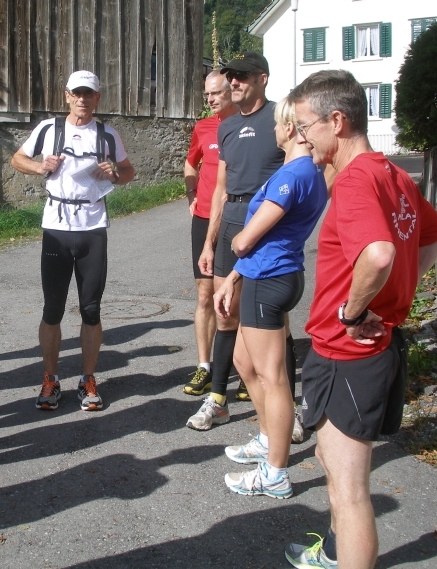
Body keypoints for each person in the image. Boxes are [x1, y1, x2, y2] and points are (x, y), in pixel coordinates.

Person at [284, 69, 437, 569]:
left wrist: (353, 312)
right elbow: (433, 235)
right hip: (370, 348)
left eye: (305, 126)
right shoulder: (390, 172)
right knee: (330, 460)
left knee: (348, 488)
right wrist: (396, 295)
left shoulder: (355, 180)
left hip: (349, 351)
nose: (301, 137)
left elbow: (378, 255)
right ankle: (334, 553)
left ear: (336, 121)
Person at [212, 98, 327, 498]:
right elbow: (266, 240)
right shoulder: (303, 172)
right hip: (266, 274)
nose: (273, 130)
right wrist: (231, 278)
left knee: (273, 377)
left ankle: (275, 473)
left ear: (291, 129)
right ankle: (266, 438)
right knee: (244, 361)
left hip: (270, 279)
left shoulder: (292, 175)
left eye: (278, 124)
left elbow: (247, 240)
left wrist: (235, 247)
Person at [191, 52, 301, 439]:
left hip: (267, 226)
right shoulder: (227, 127)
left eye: (241, 76)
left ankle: (289, 409)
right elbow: (220, 189)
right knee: (225, 315)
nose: (234, 82)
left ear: (262, 78)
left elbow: (304, 170)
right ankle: (217, 400)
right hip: (231, 225)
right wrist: (209, 243)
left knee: (276, 324)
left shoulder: (281, 120)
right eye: (231, 77)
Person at [11, 70, 135, 411]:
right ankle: (50, 379)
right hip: (56, 227)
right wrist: (40, 167)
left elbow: (129, 171)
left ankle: (87, 379)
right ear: (67, 95)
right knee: (52, 309)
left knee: (91, 309)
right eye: (77, 93)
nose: (82, 99)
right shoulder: (48, 129)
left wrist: (115, 174)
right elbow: (17, 158)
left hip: (93, 228)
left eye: (88, 94)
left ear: (97, 98)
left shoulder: (107, 134)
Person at [182, 70, 237, 396]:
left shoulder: (247, 125)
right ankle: (205, 365)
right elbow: (191, 164)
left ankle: (245, 368)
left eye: (216, 93)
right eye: (207, 95)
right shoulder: (203, 127)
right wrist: (191, 194)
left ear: (232, 90)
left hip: (235, 219)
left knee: (235, 297)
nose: (211, 99)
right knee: (204, 296)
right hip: (204, 217)